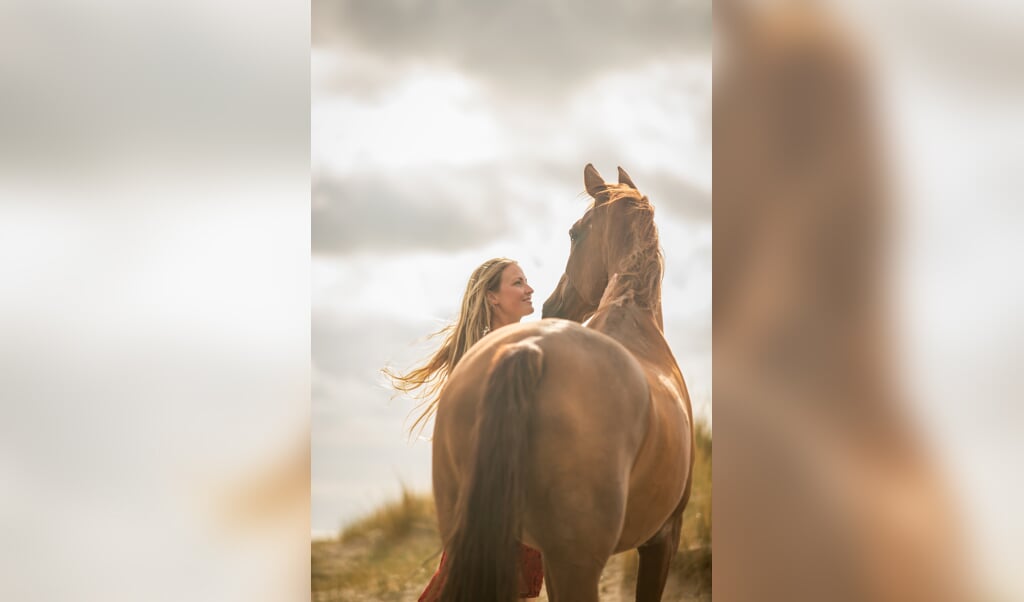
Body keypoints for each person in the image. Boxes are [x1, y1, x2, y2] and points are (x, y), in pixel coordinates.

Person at [384, 257, 544, 601]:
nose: (530, 288)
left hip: (526, 497)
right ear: (492, 297)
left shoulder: (535, 347)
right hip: (492, 501)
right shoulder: (482, 357)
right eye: (517, 282)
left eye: (526, 281)